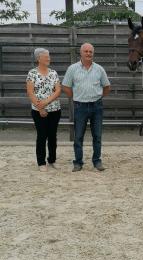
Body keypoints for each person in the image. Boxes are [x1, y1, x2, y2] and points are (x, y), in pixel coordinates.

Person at [62, 43, 111, 172]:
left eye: (90, 51)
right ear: (81, 53)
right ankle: (78, 162)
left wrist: (98, 96)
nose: (88, 53)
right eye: (86, 51)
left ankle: (97, 162)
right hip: (80, 106)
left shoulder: (99, 69)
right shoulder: (72, 69)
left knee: (97, 136)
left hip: (97, 106)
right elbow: (66, 86)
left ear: (93, 53)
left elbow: (107, 87)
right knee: (78, 136)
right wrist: (77, 96)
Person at [26, 48, 61, 172]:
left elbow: (58, 90)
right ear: (38, 59)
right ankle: (41, 162)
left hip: (55, 110)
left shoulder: (53, 73)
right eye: (46, 56)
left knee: (52, 136)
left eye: (49, 56)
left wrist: (46, 102)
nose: (49, 58)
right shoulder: (32, 74)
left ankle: (52, 160)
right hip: (38, 111)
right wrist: (41, 108)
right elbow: (30, 93)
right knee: (42, 136)